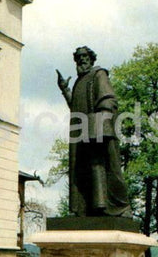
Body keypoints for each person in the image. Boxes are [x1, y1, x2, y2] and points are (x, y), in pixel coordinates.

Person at [56, 46, 131, 217]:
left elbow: (109, 99)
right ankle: (85, 209)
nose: (81, 60)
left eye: (84, 56)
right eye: (78, 57)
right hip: (81, 132)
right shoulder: (78, 82)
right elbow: (75, 106)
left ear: (91, 58)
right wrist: (65, 90)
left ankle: (114, 207)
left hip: (96, 130)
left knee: (102, 167)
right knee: (81, 170)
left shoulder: (98, 75)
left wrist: (100, 125)